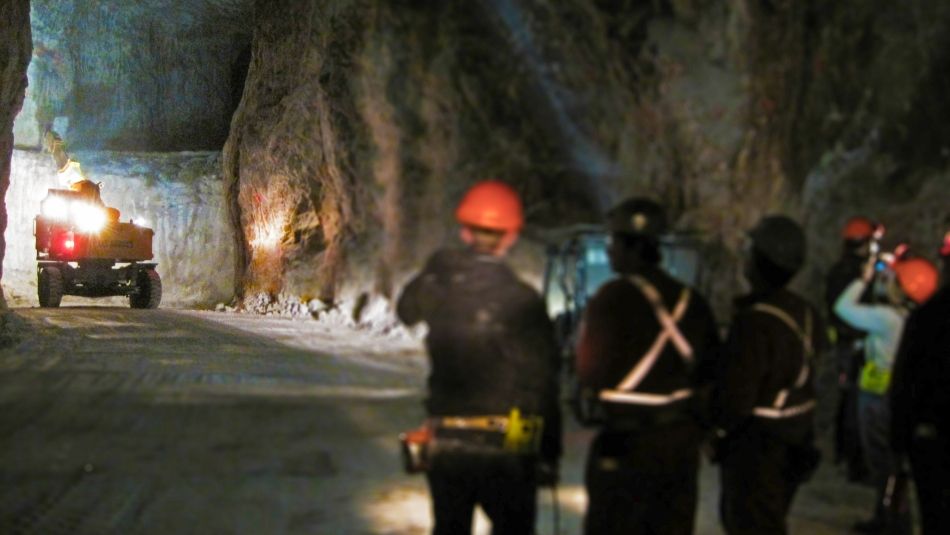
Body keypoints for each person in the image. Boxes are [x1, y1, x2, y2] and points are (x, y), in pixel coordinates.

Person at [396, 180, 561, 535]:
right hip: (509, 447)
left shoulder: (439, 287)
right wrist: (549, 453)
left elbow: (405, 310)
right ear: (511, 237)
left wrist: (434, 267)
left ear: (464, 232)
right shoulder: (523, 300)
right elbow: (543, 380)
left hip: (449, 443)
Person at [575, 197, 720, 535]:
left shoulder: (610, 298)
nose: (609, 251)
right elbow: (711, 369)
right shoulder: (692, 301)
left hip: (624, 442)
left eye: (612, 242)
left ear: (630, 246)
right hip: (678, 447)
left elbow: (589, 371)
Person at [714, 215, 827, 535]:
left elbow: (736, 399)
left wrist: (717, 431)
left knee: (751, 523)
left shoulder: (755, 323)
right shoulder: (807, 313)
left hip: (757, 449)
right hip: (794, 438)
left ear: (758, 262)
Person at [834, 252, 938, 534]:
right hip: (895, 396)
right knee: (893, 466)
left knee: (883, 465)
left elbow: (843, 308)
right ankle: (889, 518)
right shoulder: (914, 320)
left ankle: (891, 522)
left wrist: (863, 279)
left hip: (877, 397)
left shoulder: (886, 318)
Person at [890, 232, 950, 535]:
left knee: (935, 519)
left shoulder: (928, 317)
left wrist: (898, 441)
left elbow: (904, 383)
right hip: (932, 438)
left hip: (933, 441)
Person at [825, 216, 876, 482]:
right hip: (854, 344)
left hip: (845, 342)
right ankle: (857, 463)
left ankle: (845, 454)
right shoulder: (858, 274)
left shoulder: (838, 270)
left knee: (848, 400)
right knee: (856, 403)